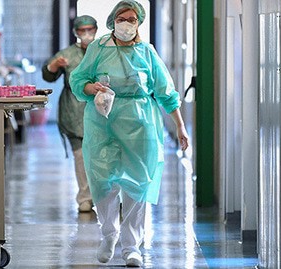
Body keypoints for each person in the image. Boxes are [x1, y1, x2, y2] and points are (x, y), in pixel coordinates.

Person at [69, 0, 189, 267]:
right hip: (104, 124)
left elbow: (165, 91)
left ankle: (132, 245)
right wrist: (93, 89)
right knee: (103, 181)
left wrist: (180, 125)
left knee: (137, 184)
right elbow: (78, 80)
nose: (126, 24)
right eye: (122, 19)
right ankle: (109, 235)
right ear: (113, 21)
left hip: (140, 124)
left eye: (132, 19)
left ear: (139, 23)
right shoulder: (99, 48)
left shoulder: (146, 52)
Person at [42, 15, 98, 213]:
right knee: (81, 156)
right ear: (76, 32)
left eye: (90, 30)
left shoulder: (103, 51)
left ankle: (106, 197)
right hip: (74, 110)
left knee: (103, 157)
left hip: (100, 110)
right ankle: (85, 197)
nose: (86, 34)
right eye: (82, 31)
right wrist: (55, 65)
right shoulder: (67, 54)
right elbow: (48, 74)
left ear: (96, 30)